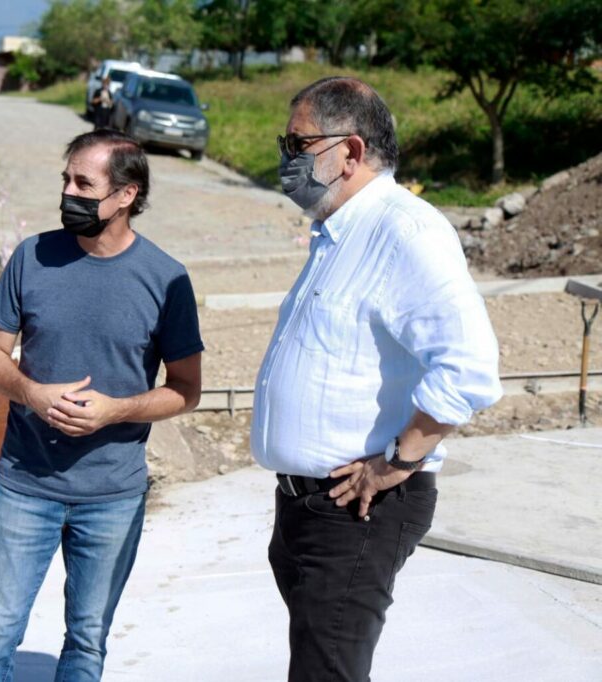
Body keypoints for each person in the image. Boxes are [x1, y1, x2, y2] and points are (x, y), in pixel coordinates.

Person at [252, 77, 502, 681]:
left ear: (352, 151)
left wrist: (398, 460)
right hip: (309, 508)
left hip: (359, 508)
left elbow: (469, 368)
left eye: (298, 144)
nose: (287, 159)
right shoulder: (338, 232)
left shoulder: (404, 231)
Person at [0, 129, 204, 681]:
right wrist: (31, 392)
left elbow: (187, 389)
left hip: (112, 497)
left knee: (87, 641)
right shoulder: (32, 257)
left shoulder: (166, 279)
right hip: (24, 484)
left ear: (126, 195)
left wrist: (114, 410)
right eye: (66, 180)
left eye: (83, 183)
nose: (68, 193)